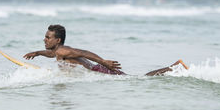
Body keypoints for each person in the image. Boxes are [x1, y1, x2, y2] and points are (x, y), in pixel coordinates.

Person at [23, 24, 188, 76]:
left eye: (48, 37)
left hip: (99, 69)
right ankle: (175, 67)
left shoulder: (63, 51)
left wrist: (104, 62)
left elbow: (84, 53)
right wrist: (37, 53)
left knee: (140, 79)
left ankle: (175, 67)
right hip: (97, 68)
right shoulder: (59, 51)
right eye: (45, 37)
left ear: (57, 40)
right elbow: (51, 54)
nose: (45, 39)